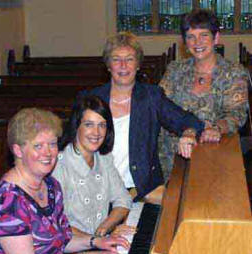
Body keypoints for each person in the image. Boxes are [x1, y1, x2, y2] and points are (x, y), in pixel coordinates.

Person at [0, 108, 128, 254]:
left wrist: (96, 241)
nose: (48, 153)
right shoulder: (7, 201)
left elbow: (62, 239)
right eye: (38, 146)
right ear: (18, 150)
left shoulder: (50, 186)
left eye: (52, 144)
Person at [78, 31, 206, 202]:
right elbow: (72, 145)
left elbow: (189, 121)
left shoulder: (152, 97)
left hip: (141, 191)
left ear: (138, 64)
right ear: (108, 65)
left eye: (129, 59)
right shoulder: (90, 99)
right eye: (116, 59)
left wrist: (189, 133)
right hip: (97, 190)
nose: (123, 66)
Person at [159, 9, 248, 182]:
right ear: (185, 41)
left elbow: (236, 114)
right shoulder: (175, 70)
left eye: (204, 35)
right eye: (191, 36)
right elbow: (160, 106)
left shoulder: (233, 72)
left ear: (216, 38)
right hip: (170, 156)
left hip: (213, 154)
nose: (197, 42)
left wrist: (216, 128)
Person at [53, 95, 132, 238]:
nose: (96, 133)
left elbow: (123, 200)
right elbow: (56, 223)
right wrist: (96, 241)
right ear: (77, 125)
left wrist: (105, 228)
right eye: (89, 124)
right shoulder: (59, 165)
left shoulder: (104, 159)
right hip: (69, 249)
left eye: (102, 125)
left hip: (96, 243)